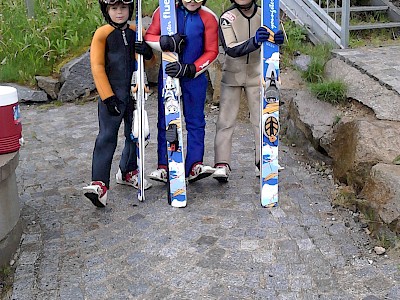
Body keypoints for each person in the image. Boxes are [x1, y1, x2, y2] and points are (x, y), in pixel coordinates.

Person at [83, 0, 155, 207]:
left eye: (123, 8)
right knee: (107, 136)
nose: (119, 12)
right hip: (112, 94)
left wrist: (147, 52)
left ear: (130, 9)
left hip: (134, 92)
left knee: (135, 134)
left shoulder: (136, 30)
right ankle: (99, 183)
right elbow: (97, 66)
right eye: (114, 8)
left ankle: (128, 170)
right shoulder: (102, 33)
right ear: (107, 11)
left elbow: (150, 64)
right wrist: (107, 96)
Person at [144, 0, 219, 183]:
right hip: (169, 74)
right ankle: (164, 165)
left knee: (195, 120)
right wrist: (165, 42)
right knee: (165, 120)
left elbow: (212, 51)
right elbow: (149, 36)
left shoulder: (208, 17)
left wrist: (191, 69)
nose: (192, 0)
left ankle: (194, 164)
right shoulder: (164, 11)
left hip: (194, 77)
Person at [212, 0, 284, 182]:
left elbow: (274, 37)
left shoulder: (265, 14)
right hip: (233, 75)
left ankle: (263, 160)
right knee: (225, 120)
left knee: (261, 118)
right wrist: (254, 41)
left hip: (257, 74)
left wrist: (278, 40)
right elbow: (231, 48)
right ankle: (222, 163)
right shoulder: (227, 17)